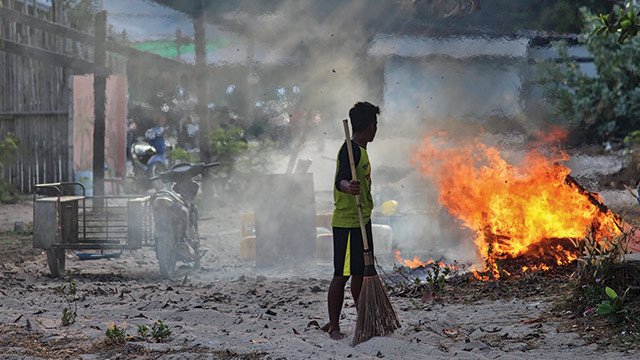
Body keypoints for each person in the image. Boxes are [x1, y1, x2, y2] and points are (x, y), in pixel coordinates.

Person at [326, 101, 379, 340]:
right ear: (370, 126)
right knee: (342, 274)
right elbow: (341, 180)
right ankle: (335, 327)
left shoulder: (362, 150)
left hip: (362, 220)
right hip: (348, 222)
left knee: (361, 273)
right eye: (376, 124)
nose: (377, 129)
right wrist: (350, 187)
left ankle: (364, 322)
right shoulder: (350, 149)